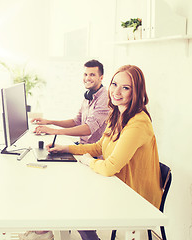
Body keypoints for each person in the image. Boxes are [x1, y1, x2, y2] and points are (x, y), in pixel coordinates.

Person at [47, 65, 162, 240]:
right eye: (114, 84)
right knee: (70, 195)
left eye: (126, 87)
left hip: (136, 197)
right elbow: (99, 147)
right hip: (118, 184)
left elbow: (110, 167)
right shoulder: (117, 114)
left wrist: (88, 161)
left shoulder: (138, 122)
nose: (116, 91)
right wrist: (67, 149)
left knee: (74, 201)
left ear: (136, 91)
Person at [32, 60, 109, 144]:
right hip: (82, 145)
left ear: (101, 78)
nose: (87, 78)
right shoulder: (88, 95)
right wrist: (49, 121)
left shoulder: (105, 98)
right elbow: (76, 122)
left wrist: (54, 131)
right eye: (85, 74)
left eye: (92, 75)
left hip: (93, 153)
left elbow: (88, 129)